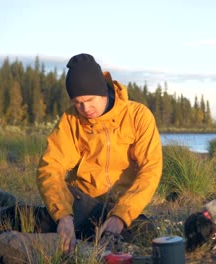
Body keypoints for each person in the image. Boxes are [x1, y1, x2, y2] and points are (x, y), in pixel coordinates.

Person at [36, 53, 163, 254]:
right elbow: (50, 165)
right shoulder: (71, 120)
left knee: (146, 235)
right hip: (83, 202)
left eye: (89, 99)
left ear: (103, 90)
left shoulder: (138, 116)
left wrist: (120, 216)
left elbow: (150, 170)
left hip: (121, 205)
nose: (85, 108)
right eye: (77, 102)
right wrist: (63, 216)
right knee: (40, 220)